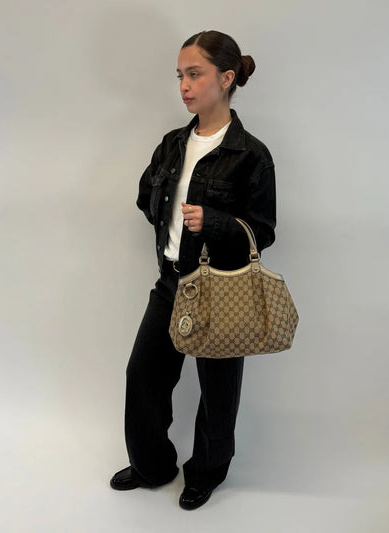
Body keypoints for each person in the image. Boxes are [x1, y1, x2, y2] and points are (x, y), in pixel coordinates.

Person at [110, 30, 276, 510]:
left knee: (218, 393)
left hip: (221, 289)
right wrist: (166, 216)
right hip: (171, 282)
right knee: (143, 377)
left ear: (226, 78)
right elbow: (147, 196)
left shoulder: (251, 154)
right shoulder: (172, 144)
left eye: (195, 74)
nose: (184, 85)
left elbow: (263, 231)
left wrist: (216, 222)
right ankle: (152, 466)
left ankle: (206, 473)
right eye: (180, 75)